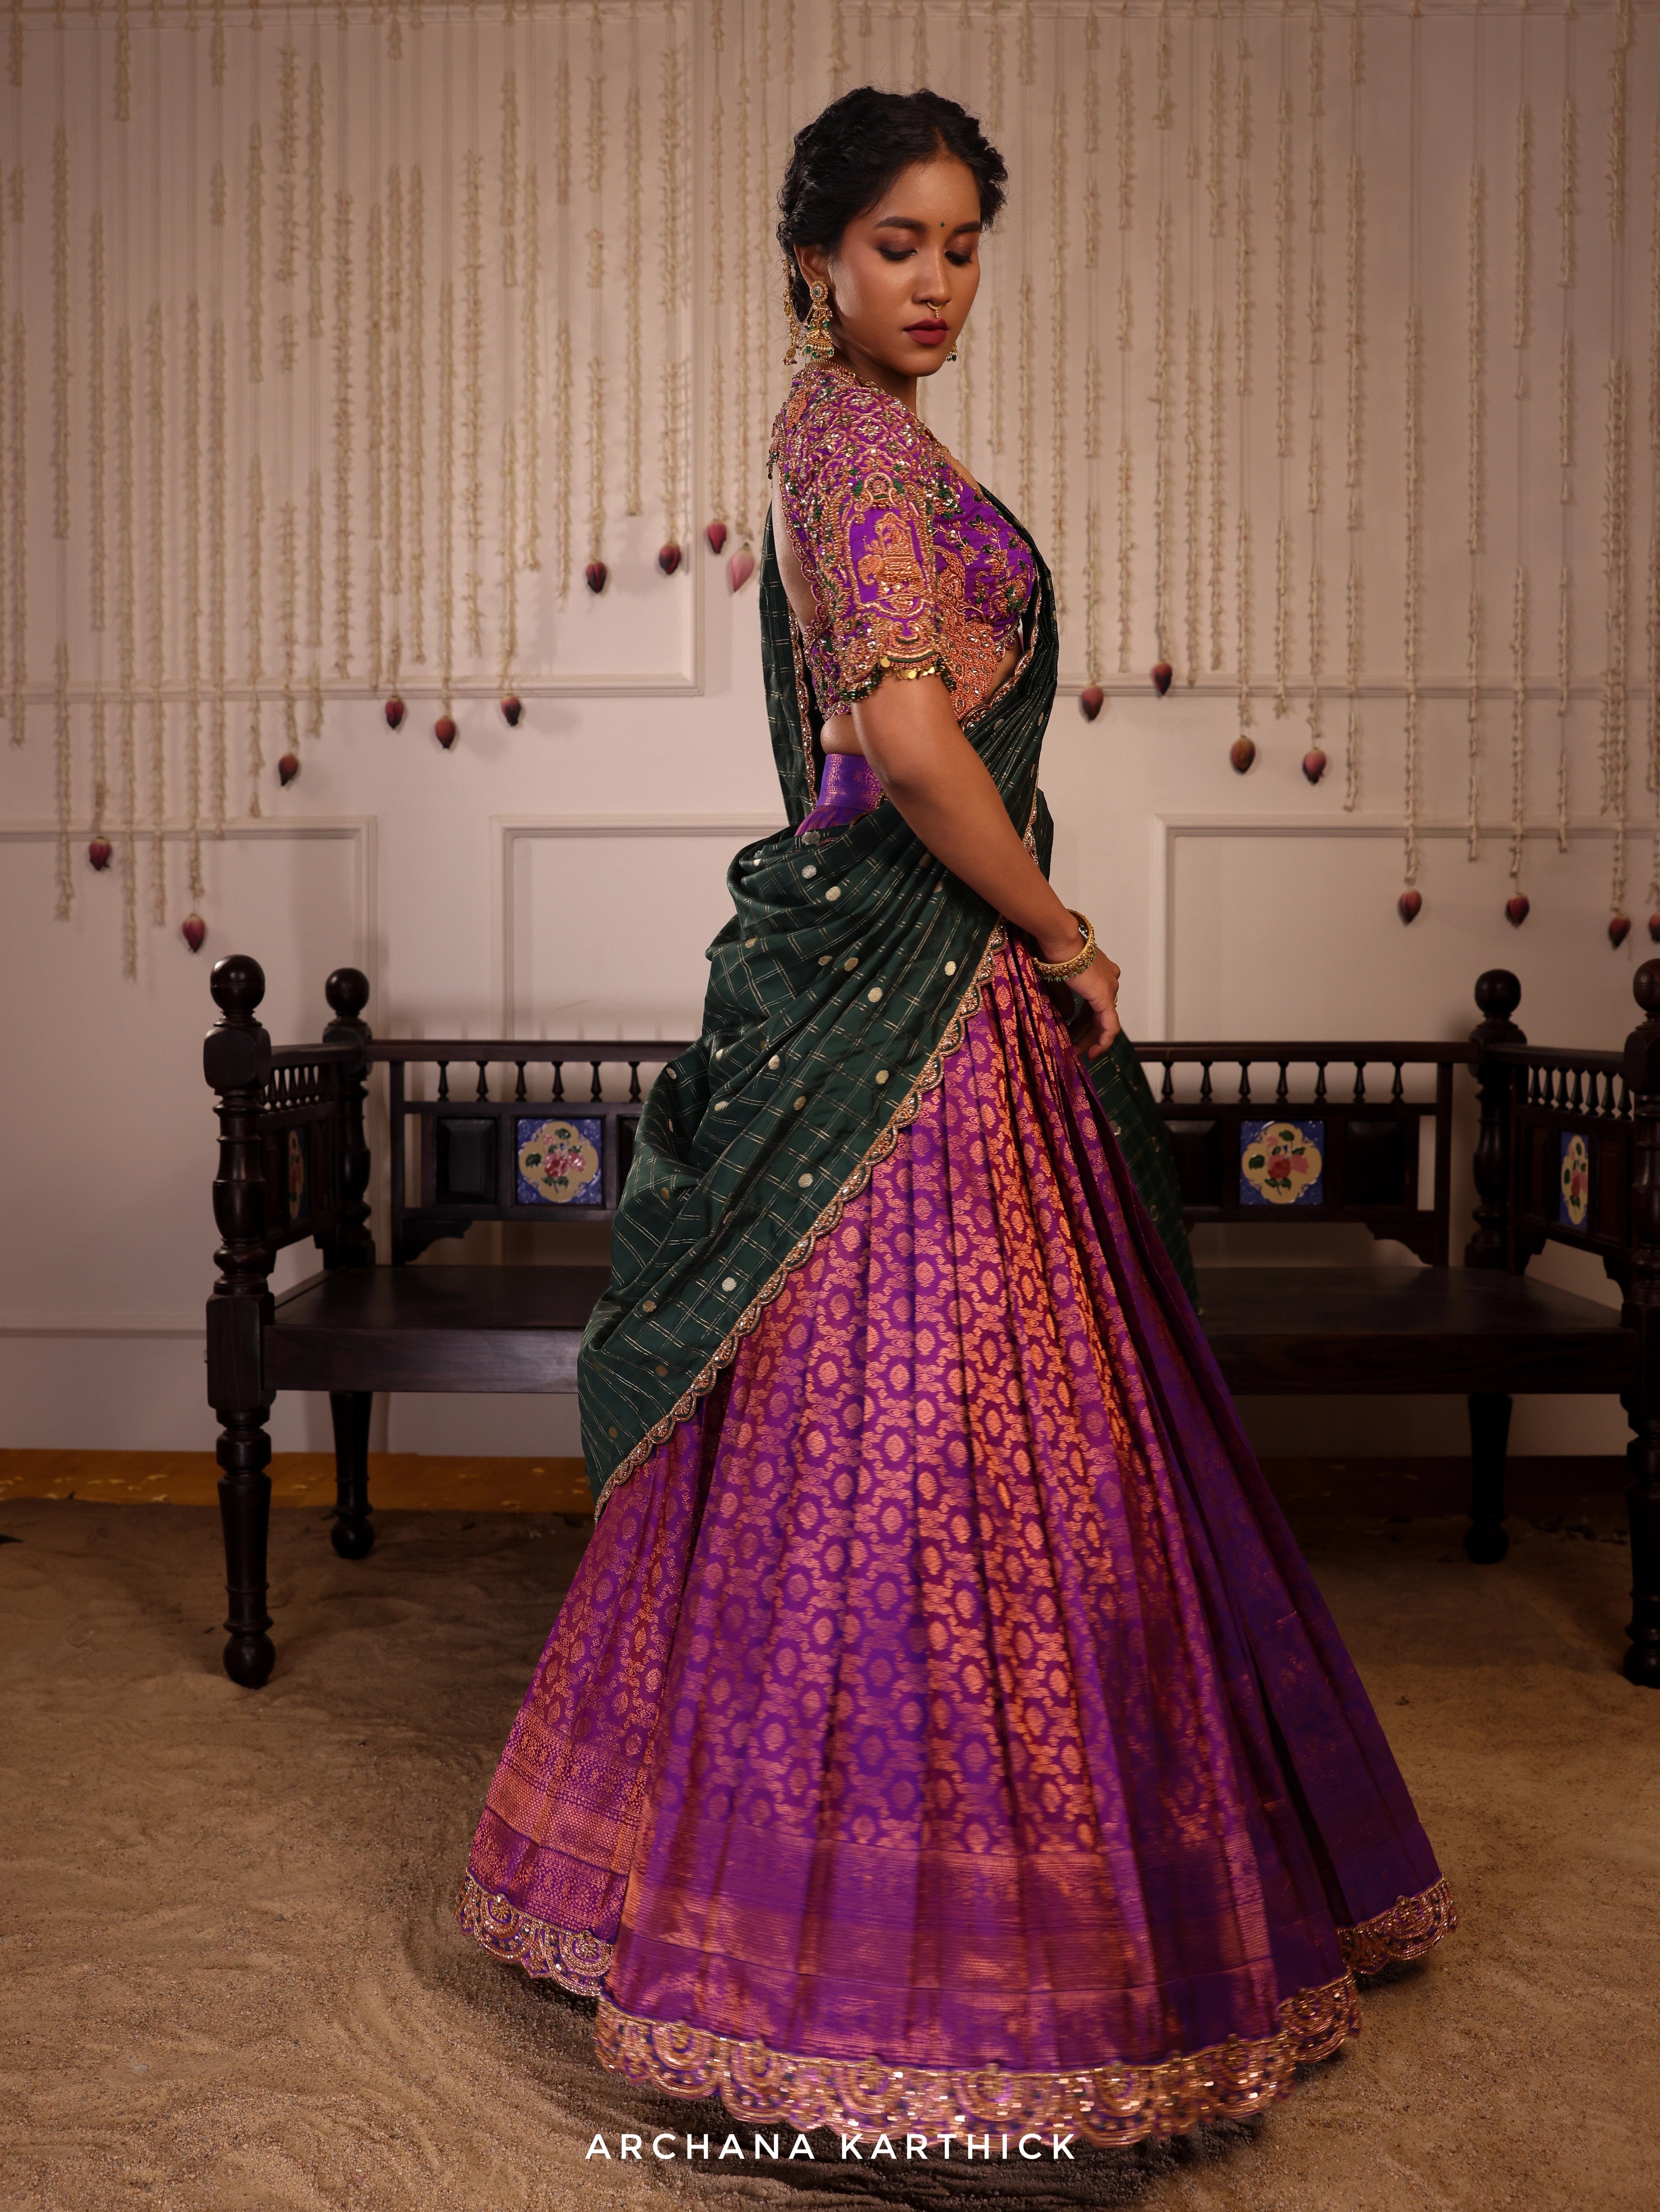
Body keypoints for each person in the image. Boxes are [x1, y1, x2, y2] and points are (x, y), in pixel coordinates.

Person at [457, 86, 1454, 2147]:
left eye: (964, 244)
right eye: (898, 243)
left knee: (921, 1448)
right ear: (815, 252)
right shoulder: (857, 447)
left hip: (900, 1008)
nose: (936, 280)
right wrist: (1069, 929)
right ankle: (940, 1972)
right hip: (915, 1009)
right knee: (954, 1451)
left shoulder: (839, 444)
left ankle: (810, 1914)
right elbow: (908, 746)